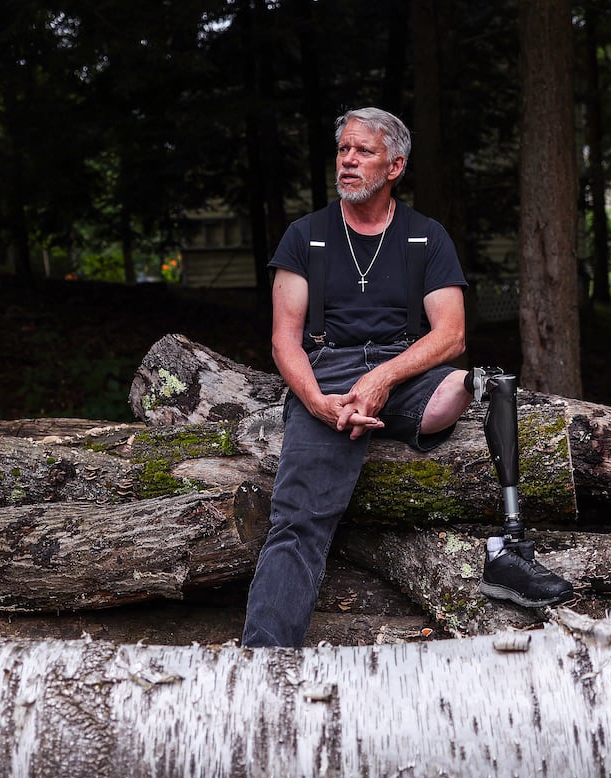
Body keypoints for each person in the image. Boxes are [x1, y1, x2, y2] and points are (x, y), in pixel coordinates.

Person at [241, 106, 572, 649]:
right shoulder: (306, 236)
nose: (348, 161)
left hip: (408, 370)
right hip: (329, 372)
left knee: (480, 384)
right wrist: (318, 401)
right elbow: (285, 339)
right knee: (299, 521)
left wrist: (384, 379)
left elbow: (450, 336)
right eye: (343, 150)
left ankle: (508, 555)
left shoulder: (425, 237)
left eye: (363, 152)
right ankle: (265, 660)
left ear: (394, 165)